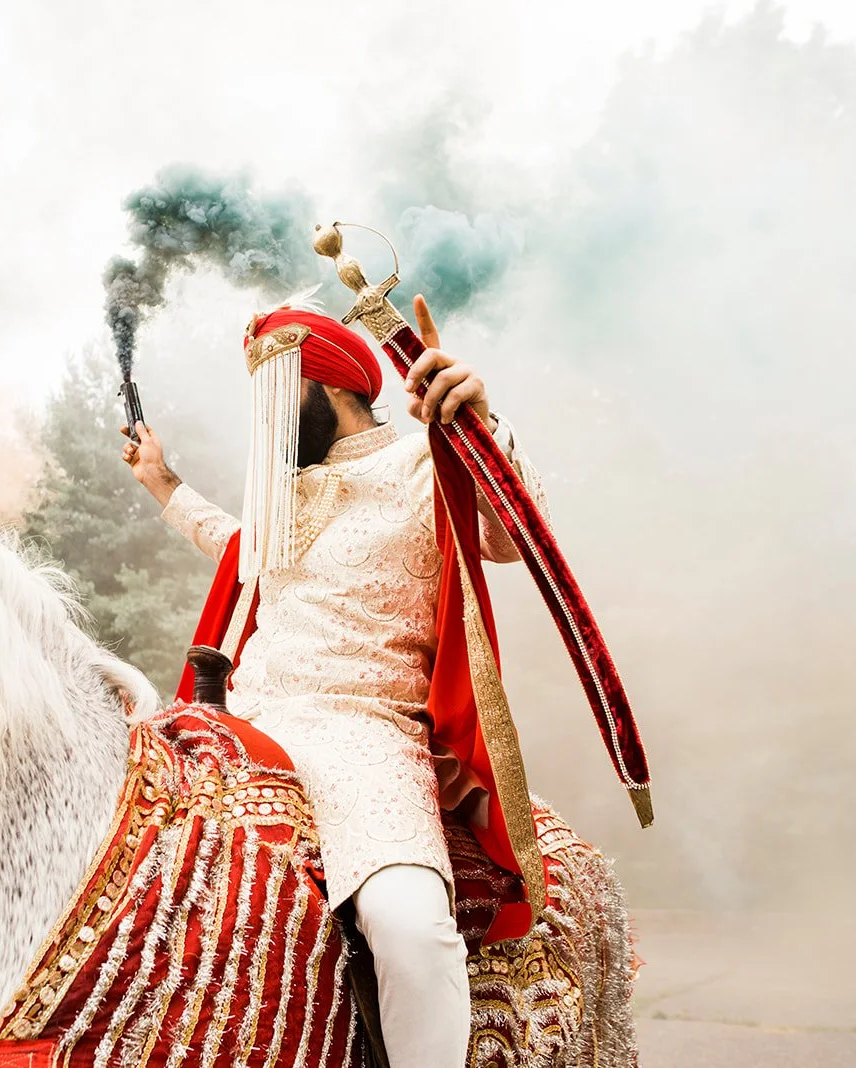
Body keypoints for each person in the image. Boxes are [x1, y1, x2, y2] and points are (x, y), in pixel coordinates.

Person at [121, 293, 551, 1068]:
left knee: (412, 932)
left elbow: (513, 535)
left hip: (364, 735)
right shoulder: (288, 493)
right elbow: (237, 549)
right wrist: (162, 483)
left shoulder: (431, 458)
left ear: (330, 388)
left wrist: (479, 426)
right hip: (238, 727)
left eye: (277, 398)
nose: (267, 423)